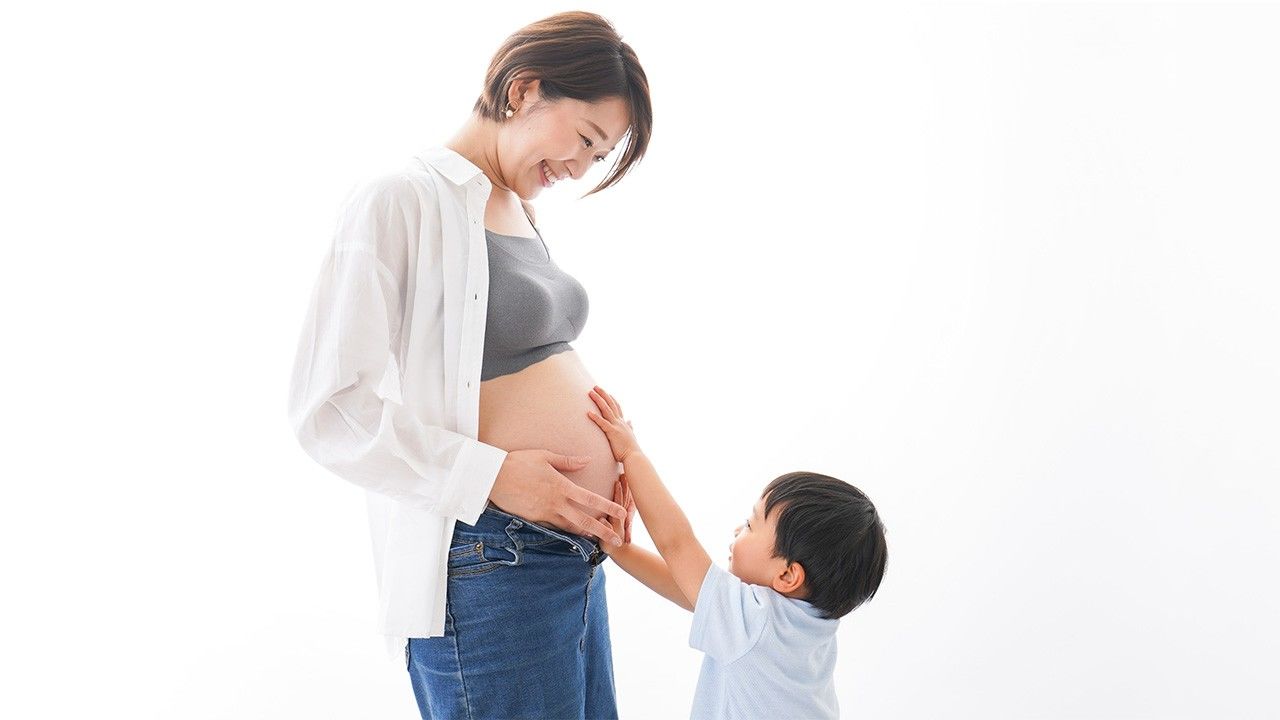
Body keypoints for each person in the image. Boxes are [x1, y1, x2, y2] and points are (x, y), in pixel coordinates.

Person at [285, 11, 653, 718]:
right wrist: (492, 476)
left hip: (566, 559)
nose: (581, 169)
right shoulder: (400, 197)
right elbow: (328, 407)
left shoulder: (514, 206)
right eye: (585, 139)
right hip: (491, 557)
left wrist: (616, 460)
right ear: (524, 90)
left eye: (600, 156)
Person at [585, 385, 889, 720]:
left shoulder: (756, 623)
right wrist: (620, 550)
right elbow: (687, 588)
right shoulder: (810, 628)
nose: (736, 530)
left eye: (750, 524)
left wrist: (631, 454)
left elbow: (677, 543)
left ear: (788, 574)